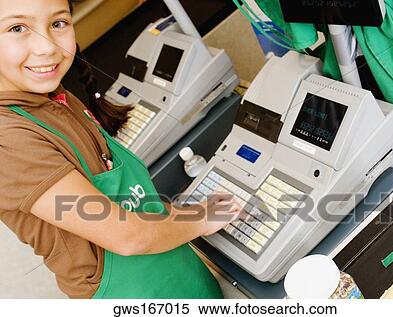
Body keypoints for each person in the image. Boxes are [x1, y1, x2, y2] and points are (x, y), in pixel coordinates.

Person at [0, 0, 242, 299]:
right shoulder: (9, 139)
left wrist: (186, 214)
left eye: (58, 23)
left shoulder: (55, 99)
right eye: (17, 28)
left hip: (177, 273)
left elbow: (132, 204)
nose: (47, 46)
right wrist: (200, 219)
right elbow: (127, 236)